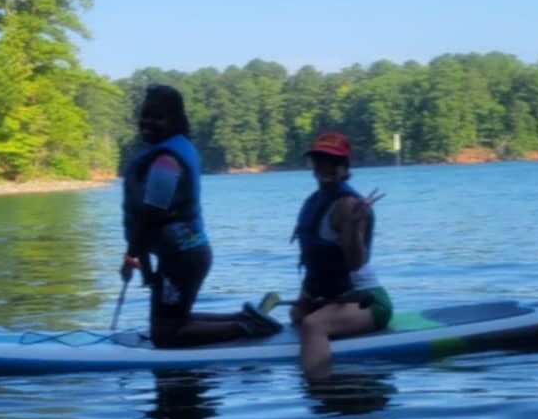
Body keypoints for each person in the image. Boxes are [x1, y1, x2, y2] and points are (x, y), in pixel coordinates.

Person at [121, 84, 278, 347]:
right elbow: (147, 220)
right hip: (180, 255)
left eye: (157, 117)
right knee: (172, 319)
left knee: (165, 334)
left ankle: (246, 327)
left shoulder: (166, 162)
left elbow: (152, 215)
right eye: (145, 115)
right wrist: (144, 264)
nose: (148, 122)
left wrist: (132, 256)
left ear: (174, 120)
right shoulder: (168, 150)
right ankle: (245, 318)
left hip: (184, 258)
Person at [290, 132, 391, 378]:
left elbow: (355, 263)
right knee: (296, 315)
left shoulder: (348, 205)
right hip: (334, 297)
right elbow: (316, 261)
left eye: (333, 161)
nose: (325, 167)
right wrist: (307, 297)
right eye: (319, 160)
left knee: (313, 326)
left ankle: (321, 389)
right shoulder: (316, 200)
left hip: (368, 301)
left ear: (345, 167)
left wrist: (355, 228)